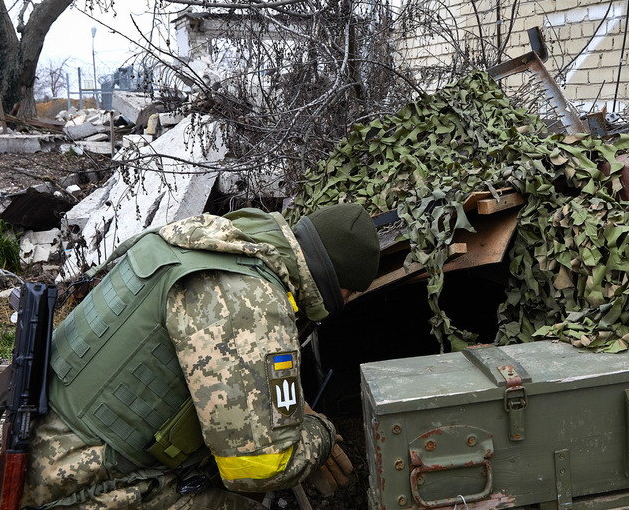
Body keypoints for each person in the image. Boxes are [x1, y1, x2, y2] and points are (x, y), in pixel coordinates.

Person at [20, 203, 380, 509]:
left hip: (47, 440)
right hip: (81, 484)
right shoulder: (253, 303)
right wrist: (321, 432)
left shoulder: (208, 241)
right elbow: (260, 468)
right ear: (340, 288)